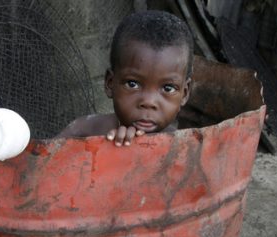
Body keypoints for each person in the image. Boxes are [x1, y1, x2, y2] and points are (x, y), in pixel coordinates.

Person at [58, 10, 194, 146]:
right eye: (132, 84)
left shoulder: (183, 148)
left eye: (168, 88)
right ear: (110, 83)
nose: (148, 102)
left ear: (184, 93)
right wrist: (109, 148)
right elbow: (42, 162)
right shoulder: (82, 132)